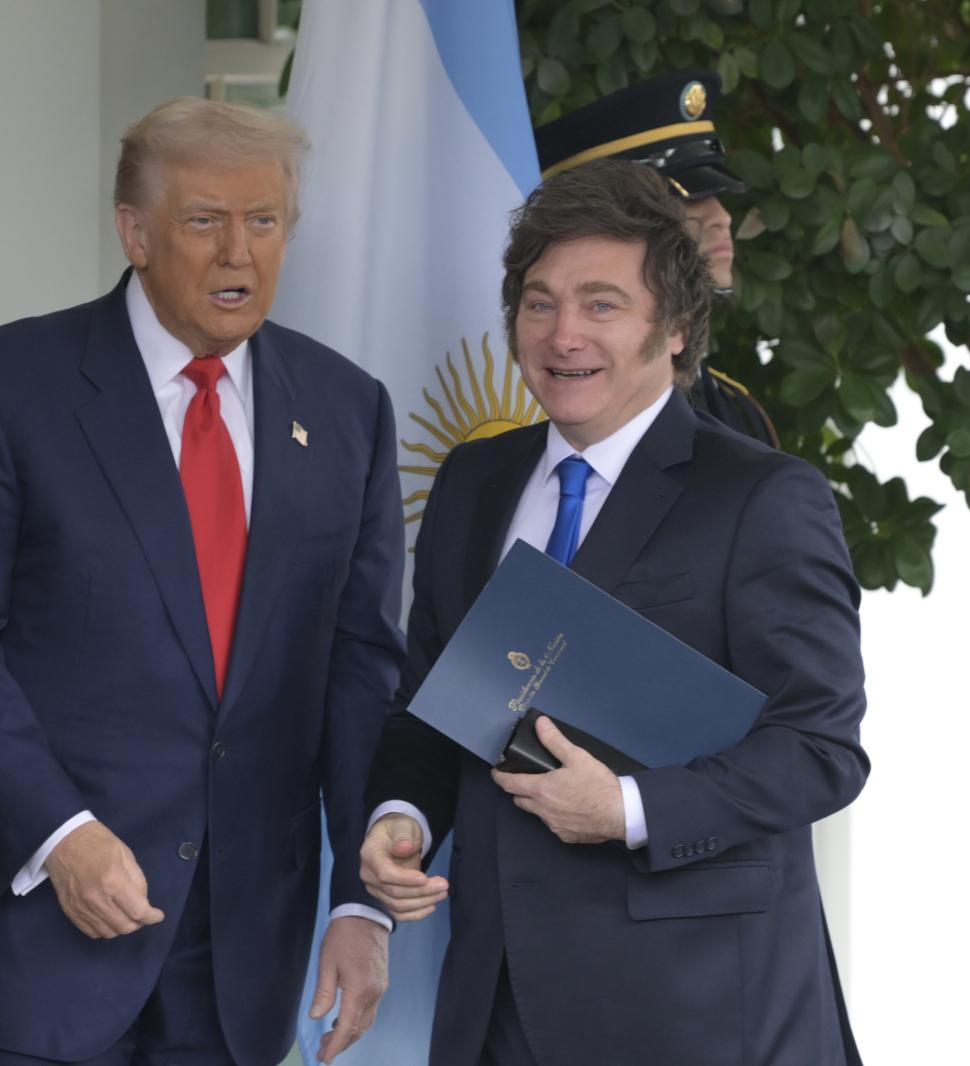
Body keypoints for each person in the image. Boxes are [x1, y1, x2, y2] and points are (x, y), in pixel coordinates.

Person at [0, 98, 403, 1066]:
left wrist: (361, 902)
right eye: (203, 220)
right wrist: (59, 834)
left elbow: (360, 667)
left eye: (264, 220)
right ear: (136, 232)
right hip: (30, 930)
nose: (238, 252)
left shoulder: (347, 409)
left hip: (238, 952)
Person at [360, 159, 868, 1066]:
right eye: (540, 303)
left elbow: (820, 750)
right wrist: (401, 816)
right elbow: (431, 703)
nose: (563, 335)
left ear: (675, 328)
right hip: (496, 1006)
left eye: (602, 304)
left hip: (700, 1014)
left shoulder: (763, 497)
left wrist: (627, 807)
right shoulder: (472, 481)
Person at [535, 69, 780, 447]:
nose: (721, 217)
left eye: (716, 196)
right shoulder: (554, 401)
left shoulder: (735, 409)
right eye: (682, 200)